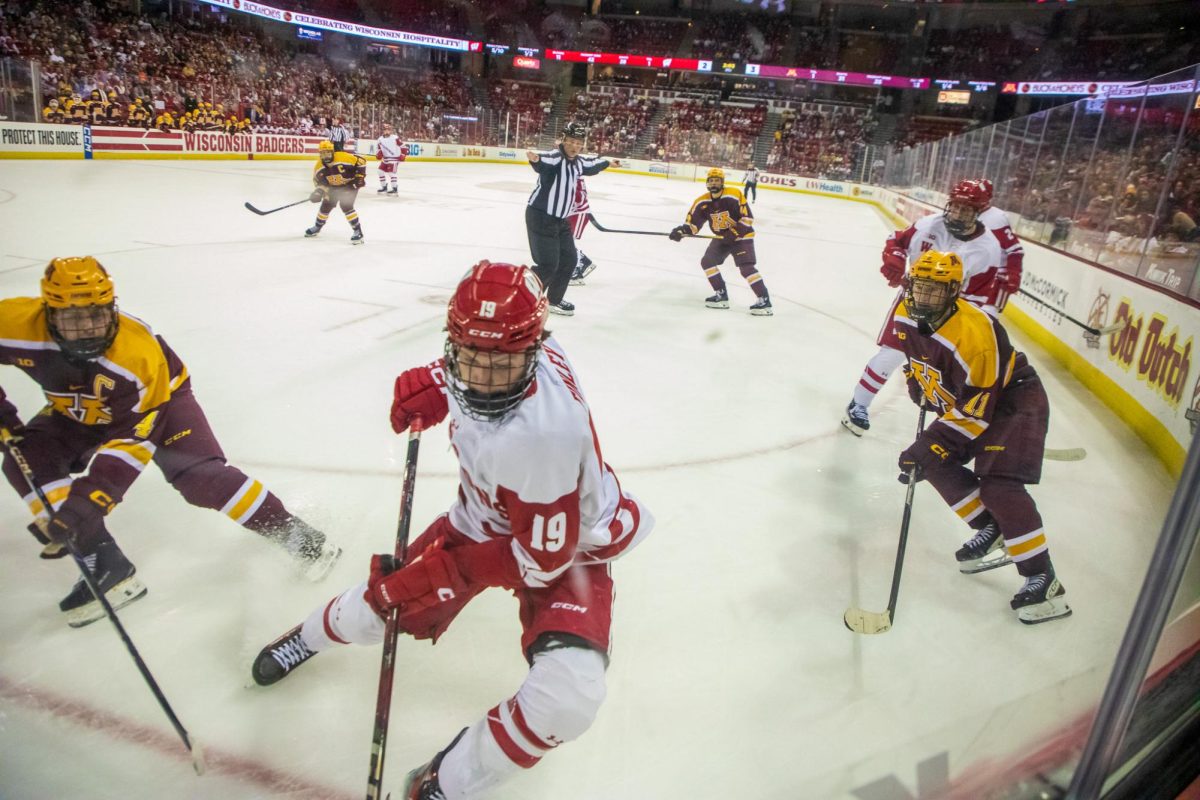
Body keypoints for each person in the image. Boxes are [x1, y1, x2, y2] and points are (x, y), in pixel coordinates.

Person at [252, 261, 654, 799]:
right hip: (484, 521)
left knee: (569, 700)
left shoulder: (542, 439)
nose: (482, 379)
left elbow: (542, 562)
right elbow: (476, 359)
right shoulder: (514, 351)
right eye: (468, 359)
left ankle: (449, 780)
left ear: (534, 349)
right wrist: (439, 383)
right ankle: (307, 637)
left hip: (570, 549)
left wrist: (450, 571)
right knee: (378, 609)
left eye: (503, 363)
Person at [0, 258, 342, 628]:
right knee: (26, 457)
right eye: (72, 319)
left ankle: (298, 536)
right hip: (76, 407)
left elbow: (131, 444)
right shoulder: (15, 323)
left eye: (96, 315)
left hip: (160, 400)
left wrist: (84, 504)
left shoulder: (137, 355)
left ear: (112, 308)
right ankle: (106, 564)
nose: (87, 330)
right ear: (48, 314)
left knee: (200, 479)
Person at [891, 250, 1070, 624]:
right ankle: (991, 526)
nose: (923, 297)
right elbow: (916, 359)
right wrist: (917, 382)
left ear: (954, 291)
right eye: (918, 287)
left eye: (934, 291)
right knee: (935, 462)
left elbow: (975, 412)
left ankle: (1043, 576)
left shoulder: (976, 332)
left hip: (1012, 400)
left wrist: (927, 445)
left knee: (999, 486)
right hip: (974, 402)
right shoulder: (905, 313)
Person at [842, 178, 1008, 435]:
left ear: (979, 212)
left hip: (952, 316)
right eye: (954, 207)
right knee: (891, 354)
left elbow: (978, 298)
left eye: (966, 210)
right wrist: (895, 260)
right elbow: (896, 241)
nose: (957, 214)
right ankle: (858, 404)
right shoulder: (928, 225)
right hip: (911, 302)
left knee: (947, 371)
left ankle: (952, 424)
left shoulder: (988, 248)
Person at [525, 120, 613, 316]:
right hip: (541, 216)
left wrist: (607, 162)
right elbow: (544, 160)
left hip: (560, 220)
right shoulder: (556, 158)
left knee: (569, 259)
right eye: (571, 141)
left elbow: (593, 164)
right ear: (563, 140)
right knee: (548, 265)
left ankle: (553, 301)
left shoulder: (579, 162)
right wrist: (535, 159)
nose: (575, 146)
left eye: (579, 143)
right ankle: (523, 299)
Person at [669, 167, 772, 315]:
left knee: (746, 268)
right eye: (711, 181)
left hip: (742, 236)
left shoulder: (734, 194)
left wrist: (734, 233)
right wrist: (681, 231)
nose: (714, 183)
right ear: (707, 183)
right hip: (721, 238)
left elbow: (748, 218)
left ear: (722, 182)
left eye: (717, 180)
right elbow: (693, 224)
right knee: (707, 262)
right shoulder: (702, 201)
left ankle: (764, 301)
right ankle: (721, 295)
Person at [307, 140, 367, 245]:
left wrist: (359, 177)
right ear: (320, 154)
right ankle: (317, 226)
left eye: (328, 152)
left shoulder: (343, 157)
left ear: (333, 152)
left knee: (346, 205)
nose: (326, 156)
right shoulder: (319, 167)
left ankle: (358, 231)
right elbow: (319, 182)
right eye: (323, 153)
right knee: (325, 206)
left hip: (350, 185)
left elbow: (362, 161)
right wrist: (318, 192)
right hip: (333, 187)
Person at [568, 176, 597, 286]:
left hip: (577, 213)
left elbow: (578, 197)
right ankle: (584, 261)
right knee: (563, 241)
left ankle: (577, 271)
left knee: (567, 242)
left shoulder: (572, 173)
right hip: (571, 213)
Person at [374, 122, 408, 196]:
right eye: (386, 130)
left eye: (389, 130)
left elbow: (403, 146)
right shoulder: (380, 139)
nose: (387, 131)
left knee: (391, 173)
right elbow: (378, 149)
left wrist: (403, 154)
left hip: (394, 159)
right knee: (380, 171)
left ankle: (394, 189)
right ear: (383, 131)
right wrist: (378, 154)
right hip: (385, 159)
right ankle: (384, 187)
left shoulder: (395, 138)